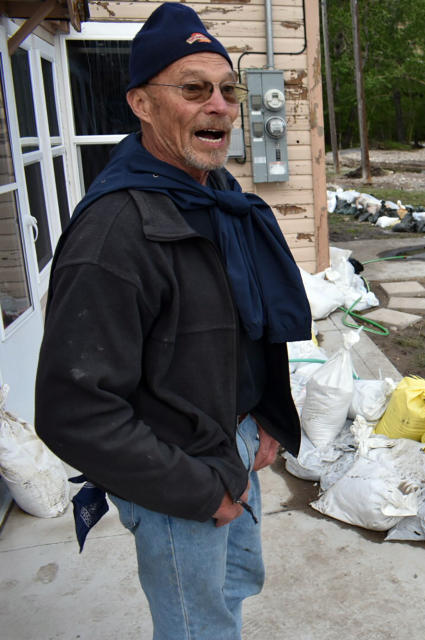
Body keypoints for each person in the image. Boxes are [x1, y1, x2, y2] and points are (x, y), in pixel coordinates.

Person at [35, 3, 311, 638]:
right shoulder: (115, 234)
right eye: (193, 89)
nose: (220, 105)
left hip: (233, 442)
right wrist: (199, 491)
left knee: (232, 594)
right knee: (197, 628)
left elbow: (243, 330)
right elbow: (72, 410)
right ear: (141, 103)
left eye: (227, 90)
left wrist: (262, 420)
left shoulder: (216, 199)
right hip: (178, 473)